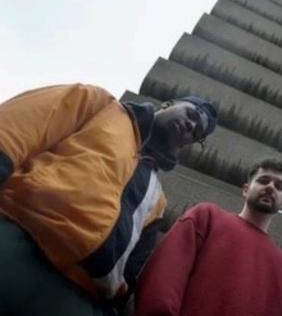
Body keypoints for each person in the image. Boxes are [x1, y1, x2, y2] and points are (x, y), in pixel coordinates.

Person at [0, 83, 217, 315]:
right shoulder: (101, 105)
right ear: (169, 103)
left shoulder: (157, 201)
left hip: (79, 296)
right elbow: (20, 127)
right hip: (17, 239)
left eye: (196, 132)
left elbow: (135, 269)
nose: (190, 125)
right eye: (191, 114)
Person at [135, 158, 282, 316]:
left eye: (279, 186)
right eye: (263, 181)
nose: (271, 187)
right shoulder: (206, 217)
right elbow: (164, 277)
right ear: (245, 189)